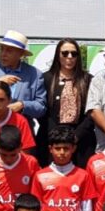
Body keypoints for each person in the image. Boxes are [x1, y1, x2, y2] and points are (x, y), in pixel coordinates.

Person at [34, 124, 94, 211]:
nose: (62, 152)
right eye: (57, 148)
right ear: (50, 149)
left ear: (73, 148)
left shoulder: (83, 175)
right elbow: (36, 210)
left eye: (66, 148)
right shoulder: (40, 176)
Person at [41, 38, 95, 166]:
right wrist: (57, 137)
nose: (69, 57)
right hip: (52, 139)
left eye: (74, 53)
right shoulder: (46, 78)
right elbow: (42, 110)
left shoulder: (88, 80)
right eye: (65, 53)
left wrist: (76, 136)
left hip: (81, 142)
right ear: (58, 55)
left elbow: (92, 112)